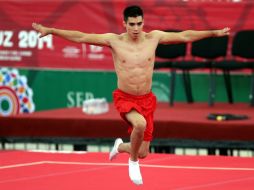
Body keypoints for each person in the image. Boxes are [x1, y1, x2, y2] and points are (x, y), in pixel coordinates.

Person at [32, 5, 230, 185]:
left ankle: (121, 147)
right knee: (140, 125)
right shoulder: (114, 41)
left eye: (139, 23)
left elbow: (185, 36)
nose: (136, 28)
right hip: (125, 98)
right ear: (124, 23)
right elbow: (81, 37)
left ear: (143, 22)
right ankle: (132, 161)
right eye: (132, 24)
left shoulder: (154, 37)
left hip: (147, 100)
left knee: (143, 151)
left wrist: (214, 32)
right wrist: (51, 31)